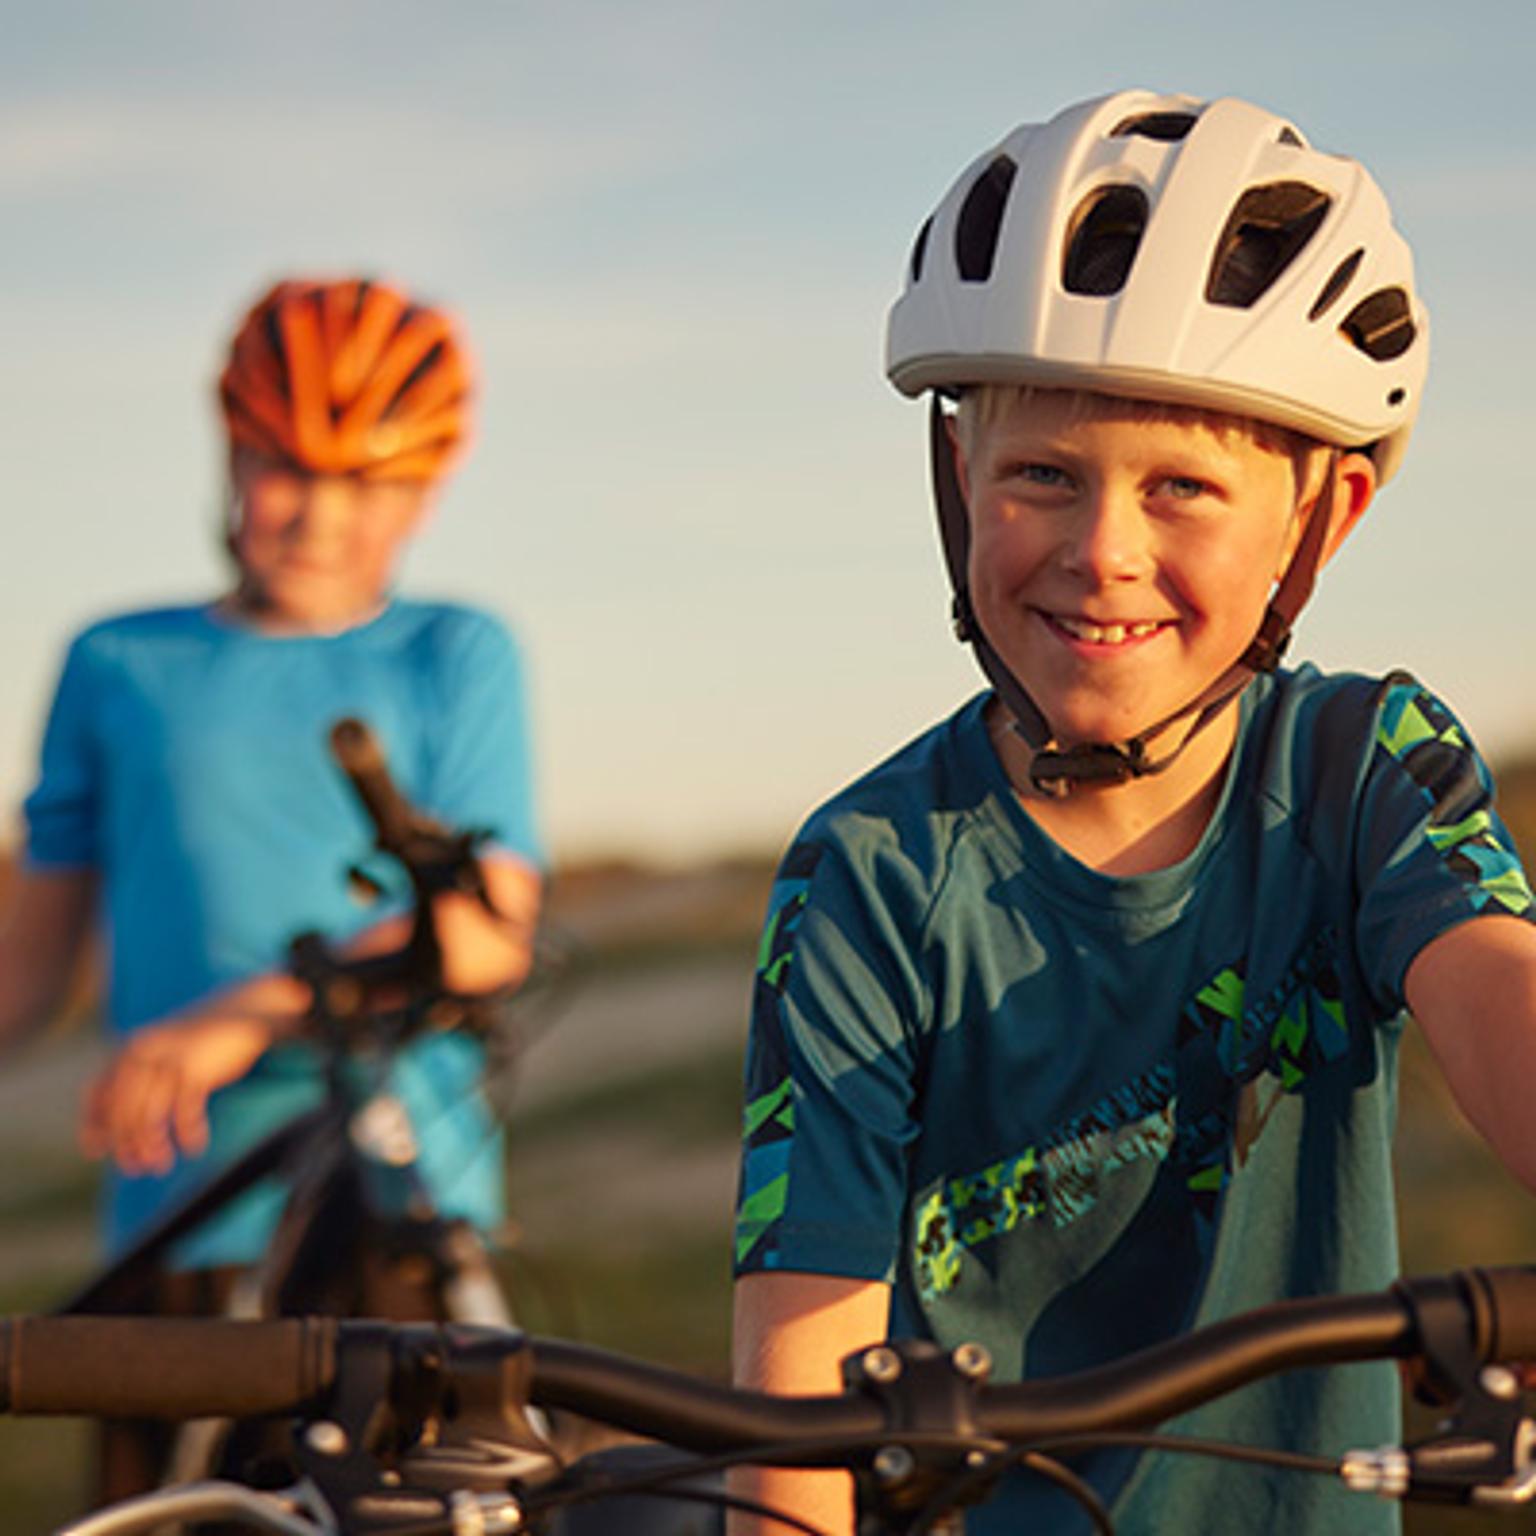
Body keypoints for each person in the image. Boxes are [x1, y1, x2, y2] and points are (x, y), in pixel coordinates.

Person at [730, 89, 1536, 1535]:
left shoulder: (1360, 769)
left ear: (1321, 520)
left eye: (1183, 489)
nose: (1104, 554)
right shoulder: (868, 872)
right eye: (1041, 475)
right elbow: (797, 1399)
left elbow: (1502, 999)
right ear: (957, 476)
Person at [0, 275, 543, 1495]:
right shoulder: (119, 663)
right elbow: (23, 972)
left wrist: (233, 1021)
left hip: (398, 1218)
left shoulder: (454, 653)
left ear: (432, 488)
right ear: (230, 447)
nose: (321, 518)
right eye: (287, 467)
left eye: (374, 485)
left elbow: (485, 934)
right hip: (181, 1222)